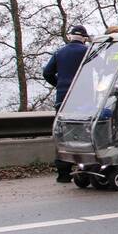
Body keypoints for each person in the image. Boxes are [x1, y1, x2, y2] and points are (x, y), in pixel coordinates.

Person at [43, 25, 90, 182]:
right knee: (84, 134)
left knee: (63, 135)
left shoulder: (59, 52)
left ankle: (63, 173)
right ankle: (85, 168)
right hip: (83, 99)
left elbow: (47, 72)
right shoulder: (88, 52)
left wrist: (59, 85)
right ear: (84, 38)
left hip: (63, 99)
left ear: (70, 37)